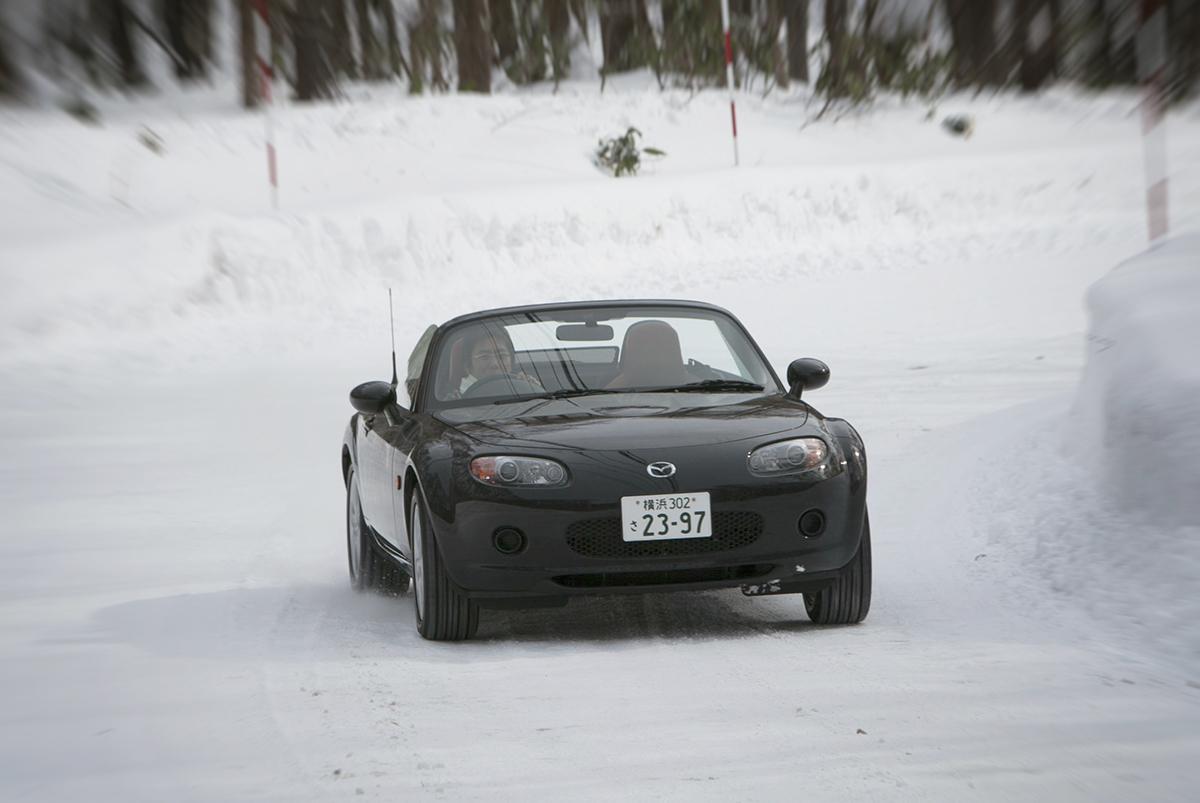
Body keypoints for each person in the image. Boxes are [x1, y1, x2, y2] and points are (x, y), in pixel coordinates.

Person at [456, 327, 542, 397]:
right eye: (484, 357)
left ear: (511, 360)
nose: (495, 364)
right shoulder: (458, 398)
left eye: (501, 355)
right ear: (468, 365)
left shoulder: (521, 385)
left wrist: (533, 390)